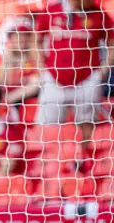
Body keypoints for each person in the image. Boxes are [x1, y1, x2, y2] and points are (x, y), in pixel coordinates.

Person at [33, 0, 114, 148]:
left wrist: (103, 70)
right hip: (54, 78)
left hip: (87, 79)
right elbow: (36, 38)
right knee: (48, 124)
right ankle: (48, 164)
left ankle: (84, 160)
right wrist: (41, 69)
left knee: (87, 122)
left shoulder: (99, 13)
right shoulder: (51, 11)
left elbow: (111, 41)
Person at [0, 23, 40, 126]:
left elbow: (38, 79)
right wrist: (7, 61)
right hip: (11, 96)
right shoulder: (6, 56)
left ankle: (6, 101)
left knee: (36, 82)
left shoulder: (34, 55)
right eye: (17, 37)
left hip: (26, 96)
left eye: (25, 37)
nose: (21, 40)